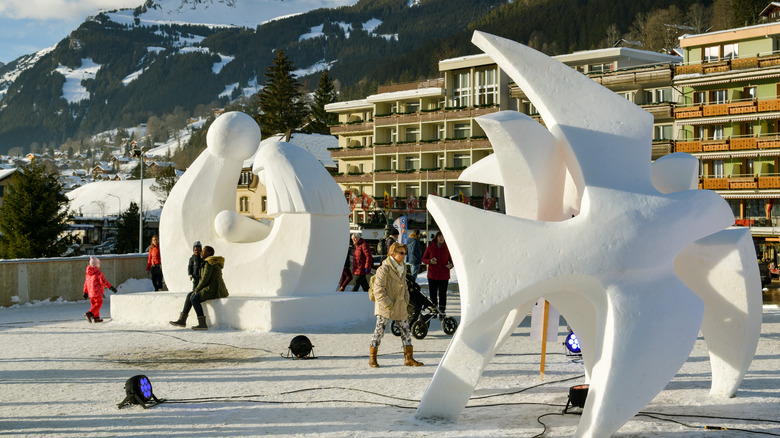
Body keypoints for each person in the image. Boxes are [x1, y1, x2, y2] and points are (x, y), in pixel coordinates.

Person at [368, 242, 423, 368]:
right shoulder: (384, 269)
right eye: (402, 253)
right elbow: (378, 289)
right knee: (379, 331)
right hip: (385, 306)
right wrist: (388, 304)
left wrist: (406, 299)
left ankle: (409, 358)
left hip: (400, 304)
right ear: (393, 253)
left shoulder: (402, 267)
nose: (404, 255)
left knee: (406, 331)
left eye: (405, 253)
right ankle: (372, 358)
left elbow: (404, 287)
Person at [170, 245, 229, 330]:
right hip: (210, 287)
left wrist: (196, 290)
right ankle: (182, 320)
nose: (201, 252)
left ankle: (202, 324)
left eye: (204, 251)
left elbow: (205, 279)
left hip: (214, 289)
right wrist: (195, 290)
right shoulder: (207, 261)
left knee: (194, 299)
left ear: (210, 253)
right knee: (189, 295)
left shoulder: (209, 262)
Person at [422, 231, 454, 317]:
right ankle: (434, 310)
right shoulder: (430, 246)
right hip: (432, 275)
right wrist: (430, 261)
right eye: (440, 236)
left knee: (442, 293)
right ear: (436, 237)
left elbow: (453, 260)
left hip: (444, 275)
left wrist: (450, 265)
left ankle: (442, 310)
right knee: (433, 294)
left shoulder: (448, 247)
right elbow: (424, 259)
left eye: (443, 237)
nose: (441, 238)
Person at [83, 256, 117, 323]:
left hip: (90, 293)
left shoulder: (88, 274)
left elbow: (86, 283)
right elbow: (103, 282)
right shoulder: (98, 273)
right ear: (97, 265)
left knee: (94, 305)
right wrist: (111, 287)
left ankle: (96, 318)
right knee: (99, 303)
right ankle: (89, 314)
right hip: (97, 292)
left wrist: (85, 292)